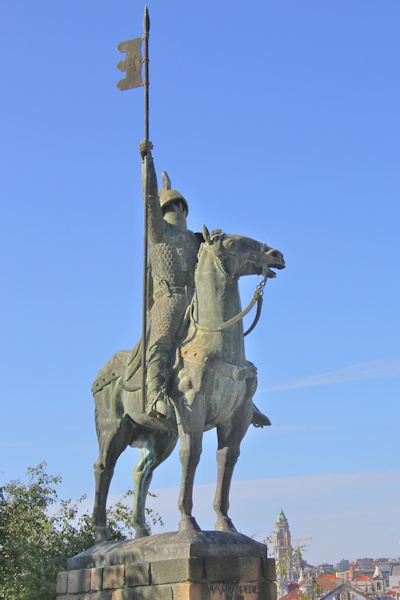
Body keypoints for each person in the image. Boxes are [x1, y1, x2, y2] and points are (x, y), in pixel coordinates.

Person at [140, 140, 271, 427]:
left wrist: (259, 267)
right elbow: (150, 200)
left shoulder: (196, 240)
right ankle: (155, 394)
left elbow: (223, 261)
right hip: (170, 300)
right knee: (160, 343)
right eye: (172, 206)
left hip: (200, 299)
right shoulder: (159, 235)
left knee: (227, 344)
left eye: (180, 206)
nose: (177, 210)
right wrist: (146, 163)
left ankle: (242, 400)